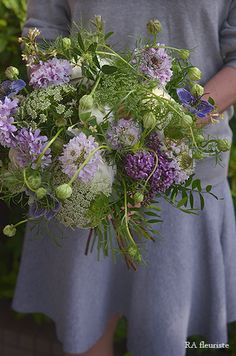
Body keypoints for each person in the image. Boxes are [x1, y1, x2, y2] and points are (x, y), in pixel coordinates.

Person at [12, 1, 236, 356]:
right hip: (85, 164)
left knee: (163, 335)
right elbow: (44, 28)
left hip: (181, 172)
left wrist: (172, 120)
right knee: (86, 329)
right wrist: (83, 121)